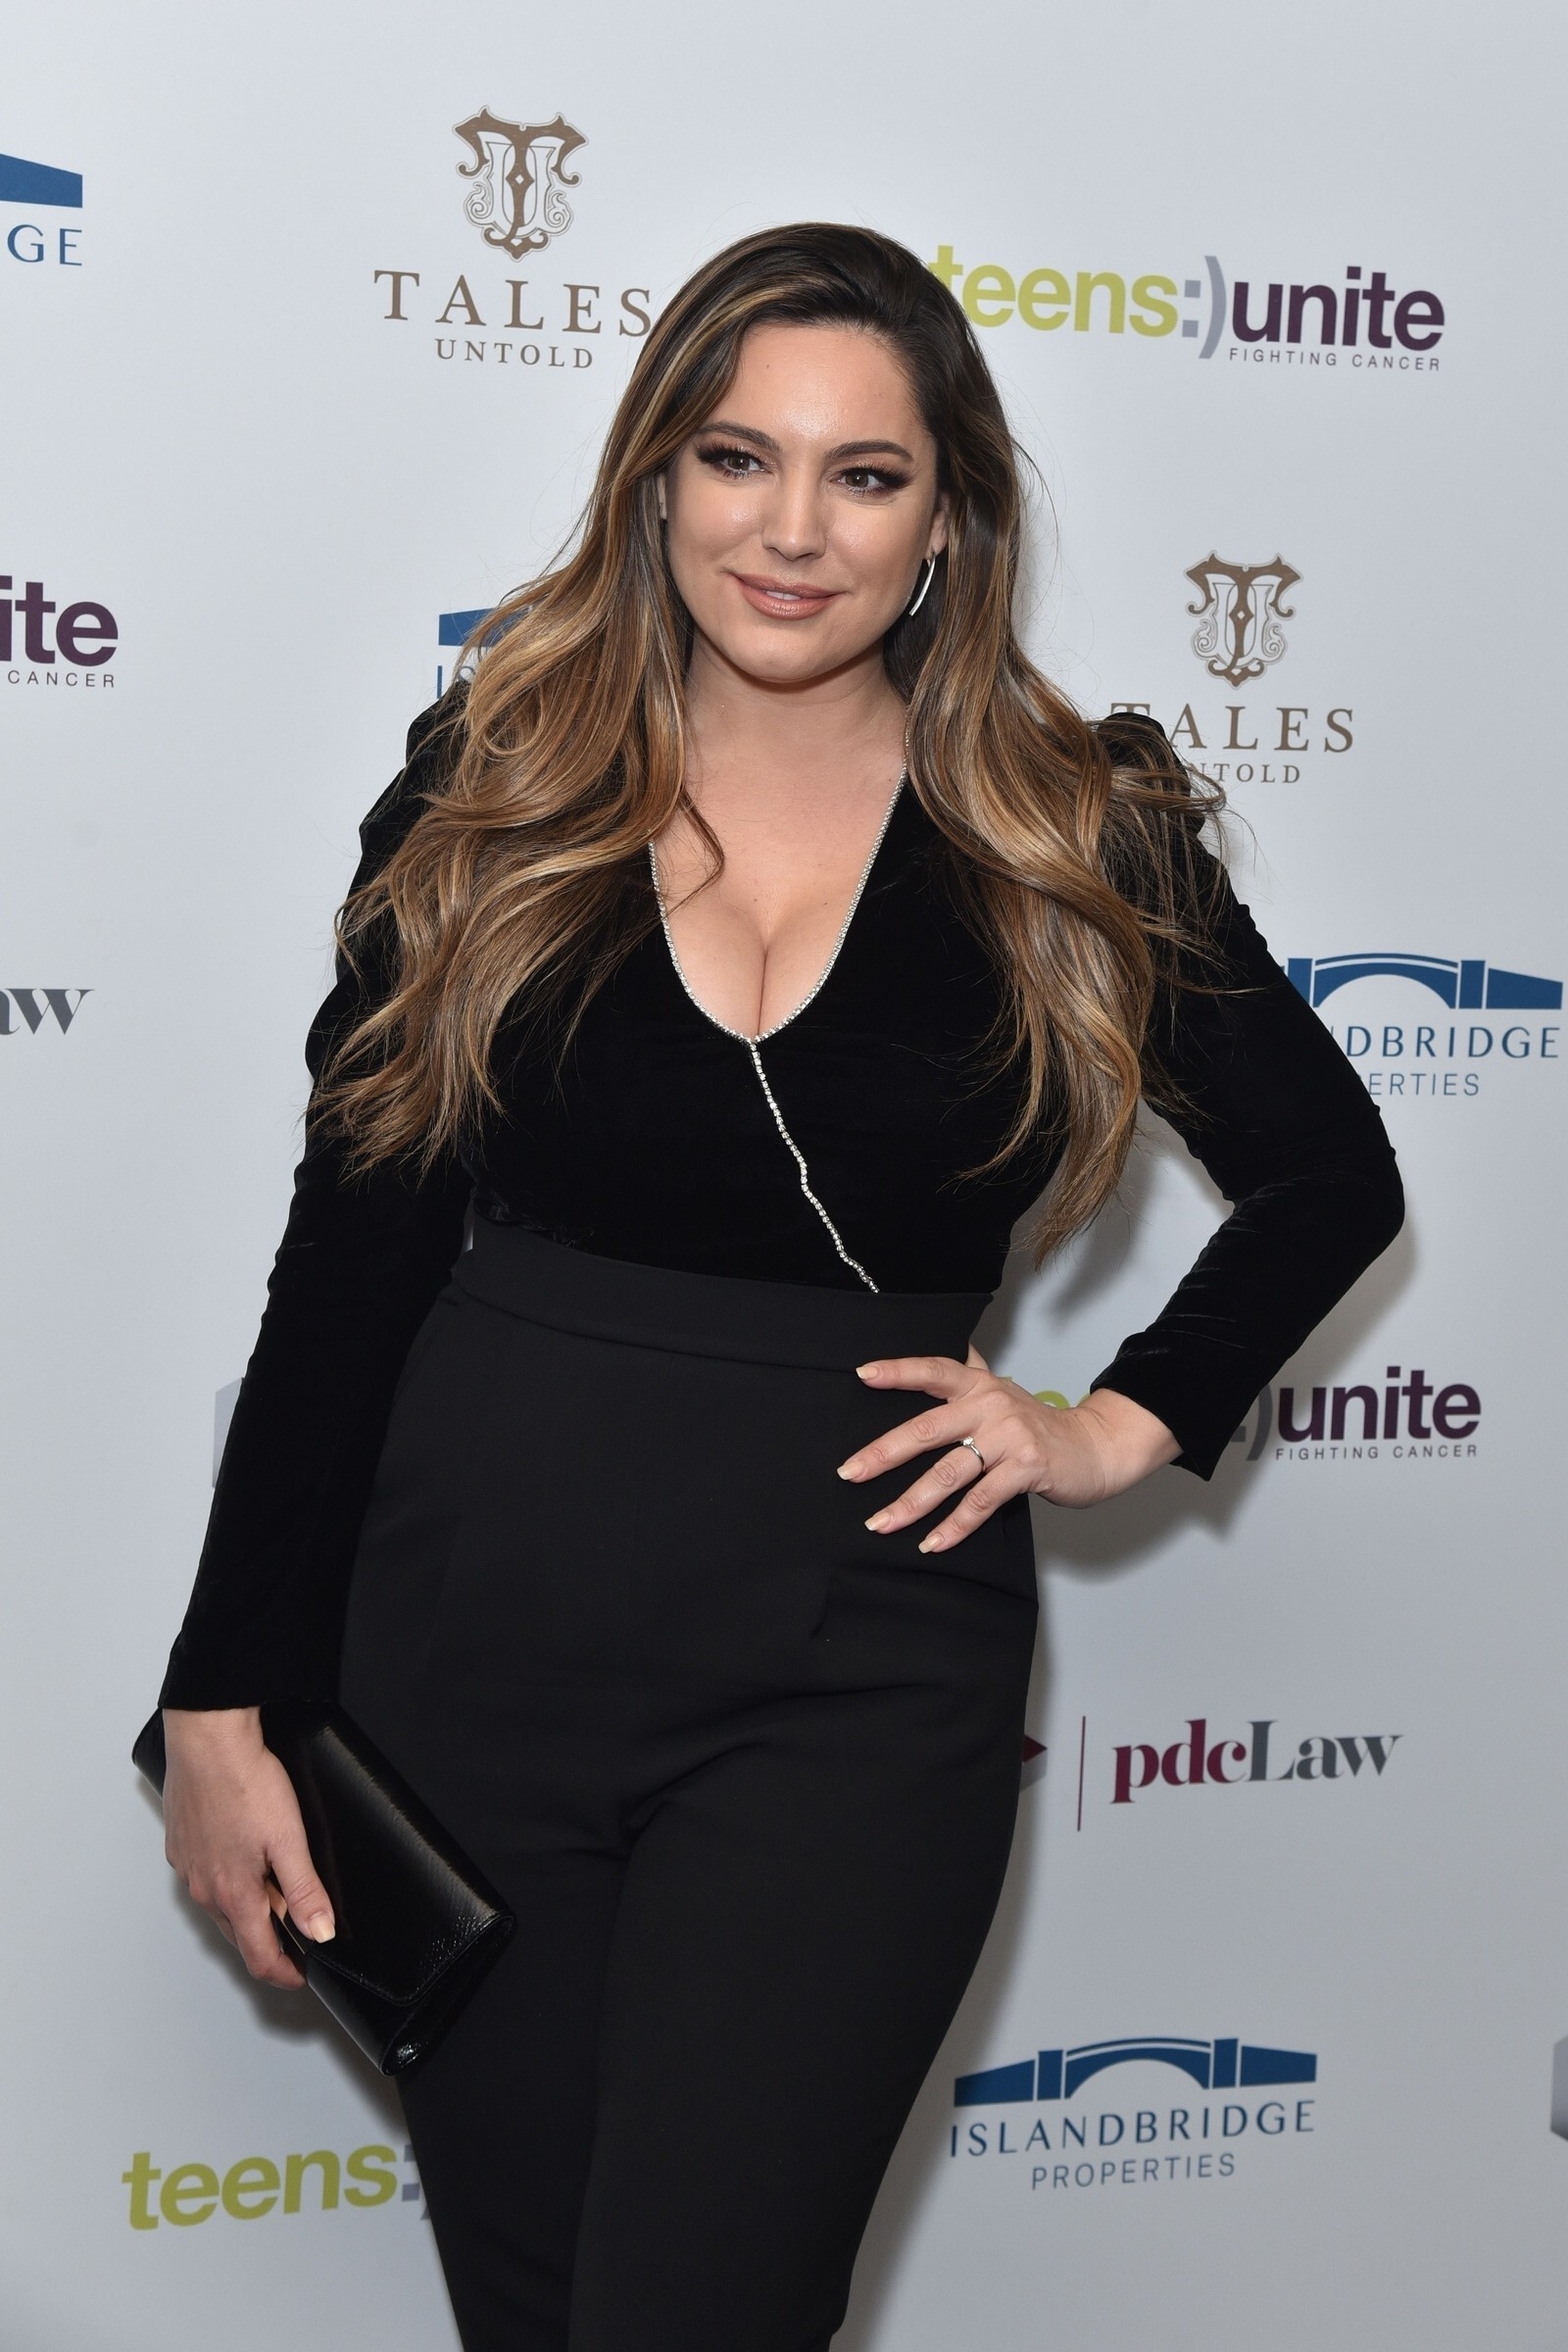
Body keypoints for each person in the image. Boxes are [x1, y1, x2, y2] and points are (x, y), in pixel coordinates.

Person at [153, 222, 1402, 2351]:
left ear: (948, 520)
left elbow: (1323, 1177)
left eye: (864, 474)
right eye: (737, 458)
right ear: (655, 480)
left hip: (858, 1680)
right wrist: (222, 1694)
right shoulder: (493, 783)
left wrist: (1115, 1423)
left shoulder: (1067, 824)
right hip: (465, 1649)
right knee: (537, 2311)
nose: (792, 530)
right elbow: (348, 1259)